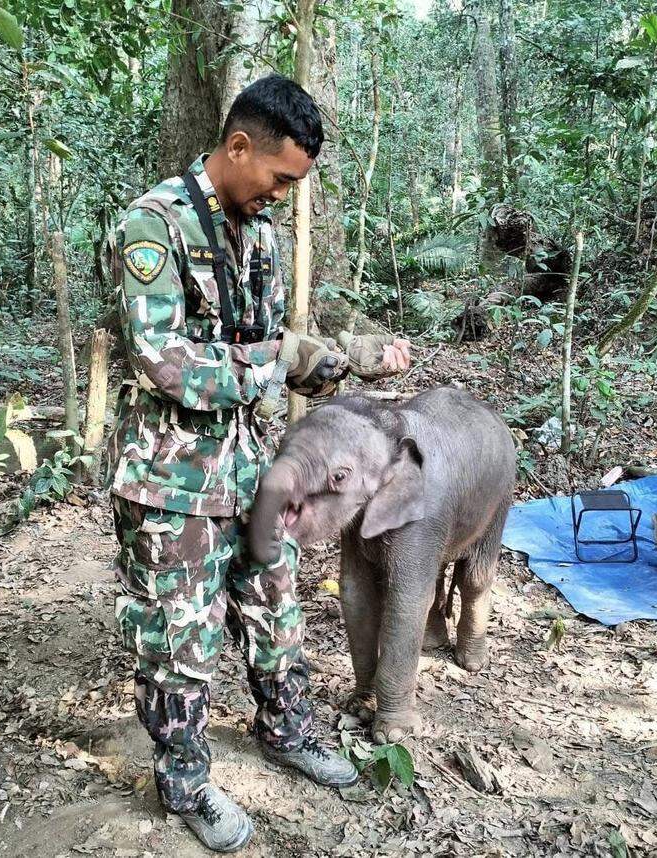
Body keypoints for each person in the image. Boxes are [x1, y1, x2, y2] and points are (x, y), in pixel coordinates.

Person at [104, 73, 411, 852]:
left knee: (275, 613)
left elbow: (278, 356)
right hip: (172, 483)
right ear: (239, 147)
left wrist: (345, 359)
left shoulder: (260, 236)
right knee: (180, 643)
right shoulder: (154, 225)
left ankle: (287, 732)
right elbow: (163, 362)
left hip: (251, 472)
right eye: (279, 177)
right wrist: (279, 358)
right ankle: (187, 781)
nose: (283, 195)